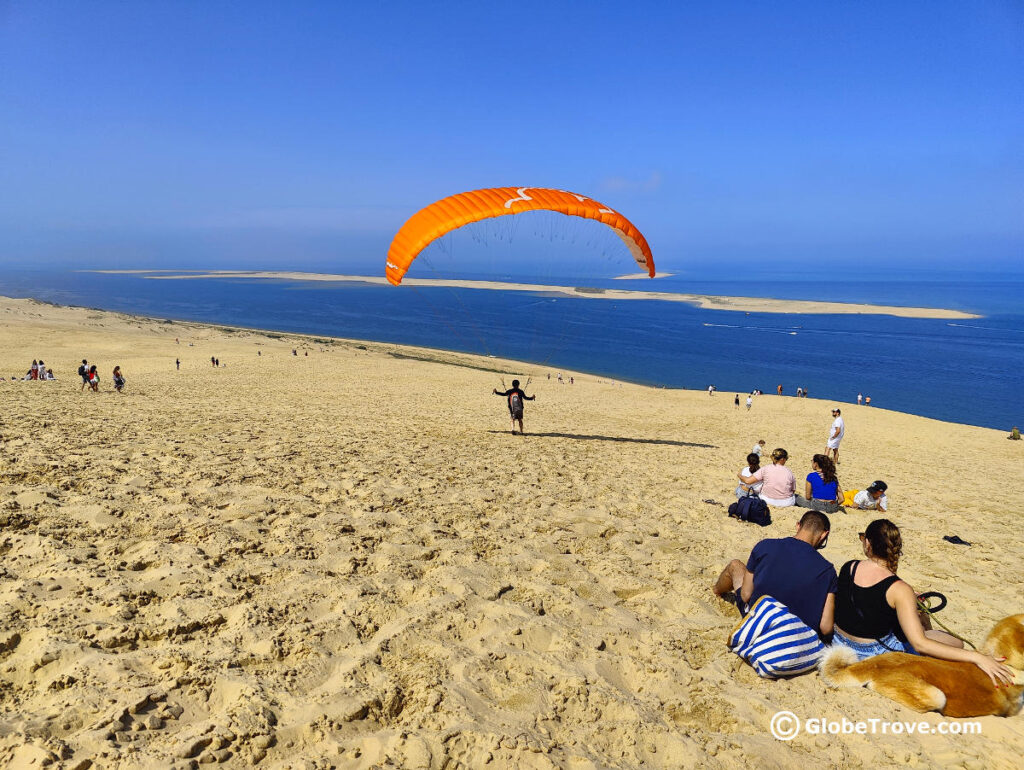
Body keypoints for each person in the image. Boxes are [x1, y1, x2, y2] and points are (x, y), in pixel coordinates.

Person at [832, 519, 1014, 686]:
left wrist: (907, 597)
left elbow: (870, 597)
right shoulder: (899, 589)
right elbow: (920, 644)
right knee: (956, 642)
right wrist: (977, 657)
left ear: (868, 544)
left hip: (839, 641)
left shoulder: (850, 566)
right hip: (872, 652)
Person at [713, 511, 836, 637]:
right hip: (797, 639)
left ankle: (717, 591)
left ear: (798, 525)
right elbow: (826, 628)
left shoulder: (764, 546)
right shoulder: (828, 570)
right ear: (824, 535)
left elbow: (746, 595)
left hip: (760, 626)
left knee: (735, 565)